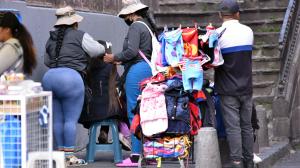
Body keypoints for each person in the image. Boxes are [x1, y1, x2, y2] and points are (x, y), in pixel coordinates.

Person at [42, 6, 105, 166]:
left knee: (56, 119)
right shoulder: (80, 35)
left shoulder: (51, 38)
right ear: (75, 23)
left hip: (49, 77)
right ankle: (69, 157)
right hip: (71, 78)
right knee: (70, 120)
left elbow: (47, 61)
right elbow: (98, 50)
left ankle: (58, 155)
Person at [103, 0, 157, 166]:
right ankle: (150, 154)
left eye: (125, 16)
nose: (125, 19)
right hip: (146, 68)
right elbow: (139, 53)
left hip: (137, 71)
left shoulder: (135, 26)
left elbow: (131, 51)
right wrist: (122, 61)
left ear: (132, 14)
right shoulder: (146, 26)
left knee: (134, 112)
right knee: (146, 112)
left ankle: (135, 157)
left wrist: (114, 57)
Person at [215, 0, 254, 168]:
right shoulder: (248, 31)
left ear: (220, 15)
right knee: (247, 126)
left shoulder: (217, 34)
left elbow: (213, 61)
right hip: (246, 87)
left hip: (227, 88)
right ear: (237, 14)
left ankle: (237, 162)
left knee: (233, 128)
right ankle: (249, 161)